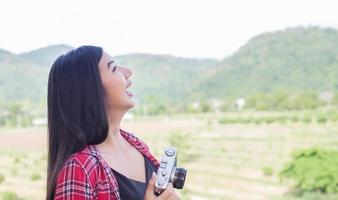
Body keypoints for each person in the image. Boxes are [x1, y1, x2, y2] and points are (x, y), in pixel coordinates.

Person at [46, 45, 180, 200]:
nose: (128, 73)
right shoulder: (79, 168)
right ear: (91, 88)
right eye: (114, 68)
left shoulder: (136, 144)